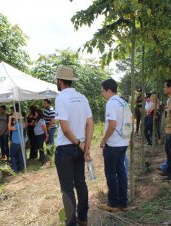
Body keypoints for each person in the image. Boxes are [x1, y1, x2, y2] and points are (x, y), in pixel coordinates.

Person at [55, 65, 94, 226]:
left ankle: (71, 222)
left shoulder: (61, 98)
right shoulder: (82, 97)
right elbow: (90, 123)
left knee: (67, 188)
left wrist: (79, 144)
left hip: (66, 149)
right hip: (80, 147)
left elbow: (64, 129)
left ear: (59, 81)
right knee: (80, 183)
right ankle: (83, 218)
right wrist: (86, 146)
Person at [98, 78, 129, 212]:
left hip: (113, 143)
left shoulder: (111, 103)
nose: (102, 94)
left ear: (109, 90)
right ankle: (123, 203)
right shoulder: (123, 102)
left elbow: (112, 124)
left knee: (111, 173)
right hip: (123, 142)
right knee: (121, 172)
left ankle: (112, 203)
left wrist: (104, 139)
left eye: (103, 91)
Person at [8, 106, 27, 173]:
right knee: (19, 155)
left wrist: (9, 120)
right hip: (21, 142)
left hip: (16, 142)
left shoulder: (17, 125)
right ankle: (20, 167)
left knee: (12, 155)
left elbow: (9, 128)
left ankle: (15, 169)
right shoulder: (22, 124)